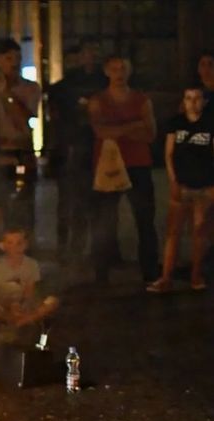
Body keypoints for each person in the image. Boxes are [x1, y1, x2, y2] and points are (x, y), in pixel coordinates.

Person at [89, 56, 159, 284]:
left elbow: (150, 135)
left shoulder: (141, 100)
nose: (119, 73)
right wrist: (134, 125)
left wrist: (116, 130)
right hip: (108, 165)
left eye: (123, 69)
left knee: (145, 219)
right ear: (107, 72)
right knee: (105, 221)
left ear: (129, 72)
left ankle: (150, 272)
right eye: (115, 69)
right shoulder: (99, 100)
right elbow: (100, 131)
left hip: (138, 163)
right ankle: (102, 274)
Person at [146, 86, 214, 293]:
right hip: (182, 184)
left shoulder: (210, 124)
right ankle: (166, 277)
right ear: (183, 101)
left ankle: (196, 275)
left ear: (204, 101)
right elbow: (169, 154)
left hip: (204, 185)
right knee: (173, 232)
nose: (193, 102)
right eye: (188, 98)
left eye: (197, 98)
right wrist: (173, 180)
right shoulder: (175, 123)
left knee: (199, 233)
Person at [47, 41, 107, 261]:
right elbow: (55, 117)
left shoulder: (100, 82)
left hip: (94, 148)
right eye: (86, 53)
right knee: (70, 201)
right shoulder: (65, 87)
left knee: (93, 202)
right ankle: (69, 247)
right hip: (71, 148)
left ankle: (90, 248)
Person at [0, 39, 41, 243]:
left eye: (17, 58)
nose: (14, 62)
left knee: (24, 203)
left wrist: (8, 95)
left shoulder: (31, 88)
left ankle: (25, 246)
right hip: (0, 154)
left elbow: (24, 117)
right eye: (8, 58)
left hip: (23, 153)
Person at [0, 229, 59, 328]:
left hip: (23, 305)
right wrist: (6, 306)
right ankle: (15, 321)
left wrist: (22, 306)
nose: (15, 247)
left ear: (25, 245)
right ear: (2, 246)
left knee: (52, 301)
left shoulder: (31, 264)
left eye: (19, 243)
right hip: (3, 306)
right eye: (10, 243)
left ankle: (23, 321)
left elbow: (30, 292)